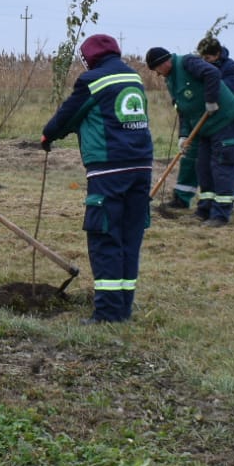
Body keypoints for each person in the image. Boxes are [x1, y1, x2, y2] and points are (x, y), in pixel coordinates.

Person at [41, 34, 154, 323]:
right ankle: (123, 309)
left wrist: (48, 134)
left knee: (104, 238)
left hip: (109, 171)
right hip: (141, 168)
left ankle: (105, 314)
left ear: (89, 57)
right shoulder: (134, 78)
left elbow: (69, 114)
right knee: (130, 238)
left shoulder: (93, 80)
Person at [145, 46, 234, 226]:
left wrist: (211, 100)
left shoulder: (187, 62)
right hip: (204, 127)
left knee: (221, 166)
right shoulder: (171, 80)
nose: (159, 75)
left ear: (164, 62)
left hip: (224, 120)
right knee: (203, 167)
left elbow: (212, 73)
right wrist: (183, 136)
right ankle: (204, 209)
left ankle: (220, 215)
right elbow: (183, 110)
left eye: (157, 70)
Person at [198, 36, 234, 207]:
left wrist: (209, 89)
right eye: (202, 58)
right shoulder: (201, 65)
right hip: (209, 120)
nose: (205, 61)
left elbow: (227, 90)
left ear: (217, 54)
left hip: (227, 119)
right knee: (205, 164)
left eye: (208, 58)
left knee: (224, 162)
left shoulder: (230, 67)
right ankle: (206, 204)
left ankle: (225, 202)